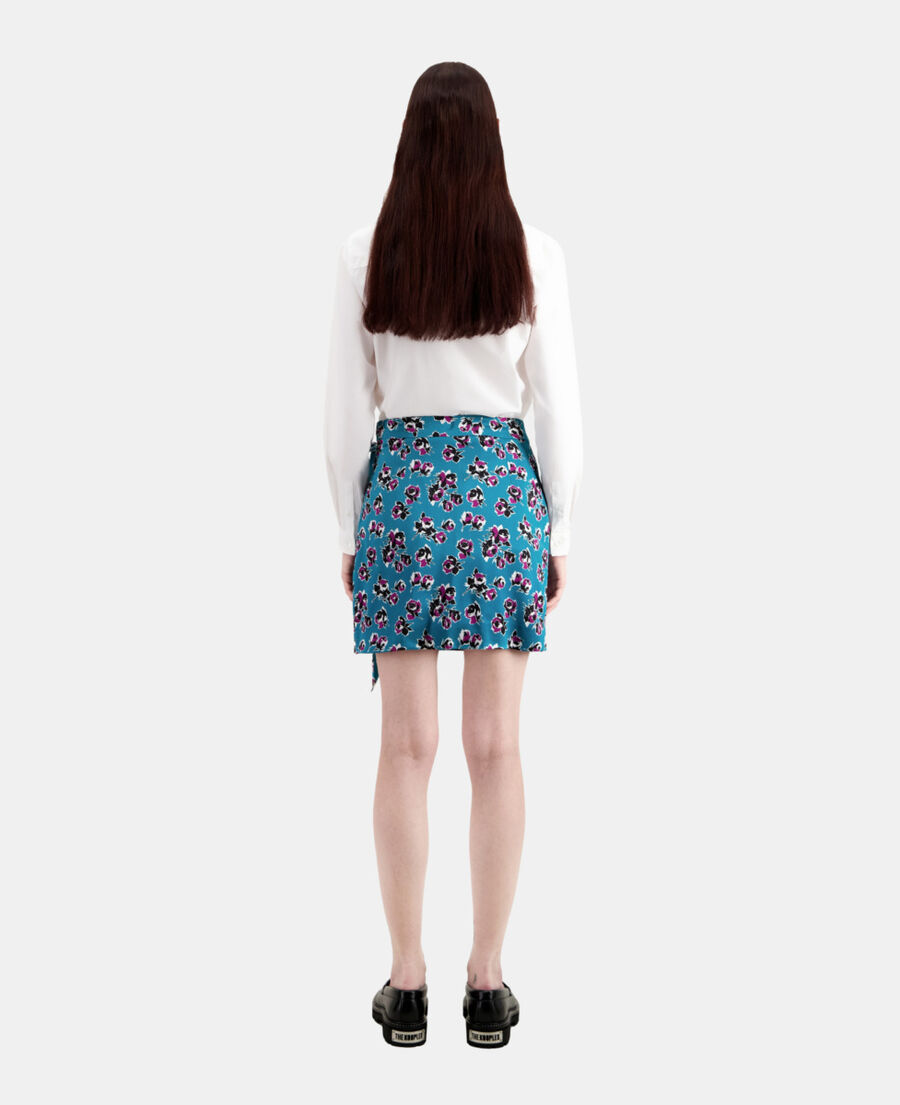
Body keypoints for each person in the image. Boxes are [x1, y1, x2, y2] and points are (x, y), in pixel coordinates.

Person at [324, 61, 583, 1048]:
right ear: (491, 143)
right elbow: (559, 413)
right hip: (500, 500)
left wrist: (351, 532)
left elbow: (342, 419)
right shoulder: (532, 252)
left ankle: (405, 981)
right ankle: (488, 979)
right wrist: (559, 531)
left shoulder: (365, 253)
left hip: (401, 498)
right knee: (496, 745)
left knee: (405, 745)